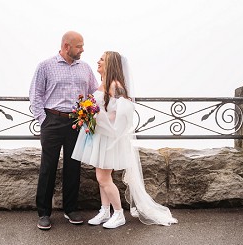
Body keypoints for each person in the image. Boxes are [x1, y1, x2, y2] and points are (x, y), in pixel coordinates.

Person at [71, 51, 178, 229]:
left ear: (110, 64)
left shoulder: (116, 86)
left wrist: (97, 117)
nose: (98, 61)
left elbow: (124, 113)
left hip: (110, 138)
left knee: (103, 178)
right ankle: (105, 211)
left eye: (102, 59)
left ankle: (119, 214)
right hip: (100, 137)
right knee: (101, 178)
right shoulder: (103, 84)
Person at [29, 31, 99, 230]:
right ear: (67, 46)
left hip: (76, 122)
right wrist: (43, 120)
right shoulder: (45, 66)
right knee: (48, 167)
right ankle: (43, 213)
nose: (82, 50)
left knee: (73, 166)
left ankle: (71, 209)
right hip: (52, 121)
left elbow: (94, 92)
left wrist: (116, 89)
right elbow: (35, 95)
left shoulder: (85, 68)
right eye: (79, 46)